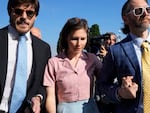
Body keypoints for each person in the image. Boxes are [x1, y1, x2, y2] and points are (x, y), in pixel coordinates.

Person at [96, 0, 150, 113]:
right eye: (139, 11)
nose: (146, 13)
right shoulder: (116, 51)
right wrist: (119, 92)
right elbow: (102, 86)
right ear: (125, 18)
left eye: (148, 9)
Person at [0, 0, 51, 112]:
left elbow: (42, 85)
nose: (24, 16)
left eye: (29, 13)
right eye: (18, 11)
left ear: (35, 16)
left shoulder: (44, 49)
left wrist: (38, 98)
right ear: (9, 11)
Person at [43, 17, 102, 113]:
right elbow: (51, 96)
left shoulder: (92, 59)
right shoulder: (54, 63)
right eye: (74, 39)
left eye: (83, 39)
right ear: (66, 38)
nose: (79, 44)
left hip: (89, 108)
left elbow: (106, 77)